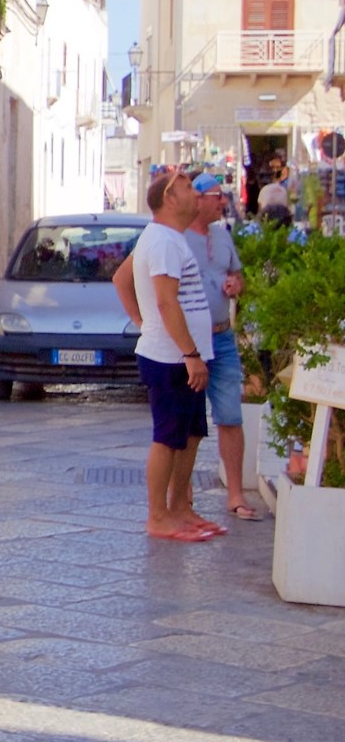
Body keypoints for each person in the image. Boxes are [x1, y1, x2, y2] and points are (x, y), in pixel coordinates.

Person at [112, 170, 219, 541]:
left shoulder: (166, 238)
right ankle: (158, 517)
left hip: (185, 355)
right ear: (170, 198)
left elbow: (120, 278)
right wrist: (188, 352)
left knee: (190, 435)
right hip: (172, 358)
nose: (197, 194)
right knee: (168, 437)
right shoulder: (162, 242)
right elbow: (165, 299)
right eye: (189, 188)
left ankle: (180, 510)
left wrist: (144, 321)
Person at [184, 171, 260, 521]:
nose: (223, 201)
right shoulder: (178, 238)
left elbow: (238, 275)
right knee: (188, 419)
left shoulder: (222, 235)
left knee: (231, 415)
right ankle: (182, 494)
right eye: (217, 195)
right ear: (198, 198)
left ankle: (235, 494)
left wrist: (235, 284)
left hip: (223, 336)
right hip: (191, 342)